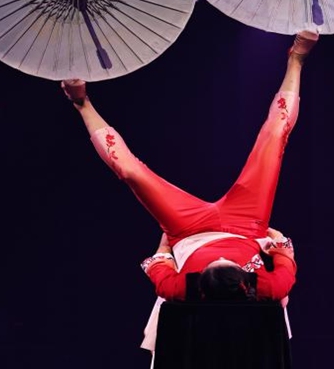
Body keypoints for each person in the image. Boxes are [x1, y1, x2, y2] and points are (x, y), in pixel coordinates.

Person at [60, 30, 317, 312]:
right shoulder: (268, 287)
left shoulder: (180, 289)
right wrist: (272, 237)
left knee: (130, 172)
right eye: (227, 265)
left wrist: (170, 237)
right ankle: (296, 60)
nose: (219, 258)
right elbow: (285, 251)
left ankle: (81, 103)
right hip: (248, 225)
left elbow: (160, 259)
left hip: (187, 231)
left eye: (213, 265)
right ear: (245, 281)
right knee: (275, 137)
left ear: (200, 285)